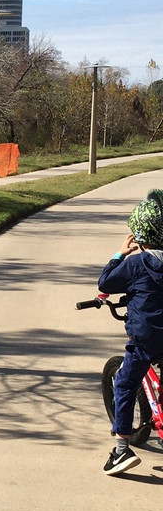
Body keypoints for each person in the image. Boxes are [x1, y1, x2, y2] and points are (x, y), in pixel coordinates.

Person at [98, 189, 163, 475]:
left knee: (124, 385)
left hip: (146, 339)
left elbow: (106, 284)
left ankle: (122, 451)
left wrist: (118, 255)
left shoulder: (136, 264)